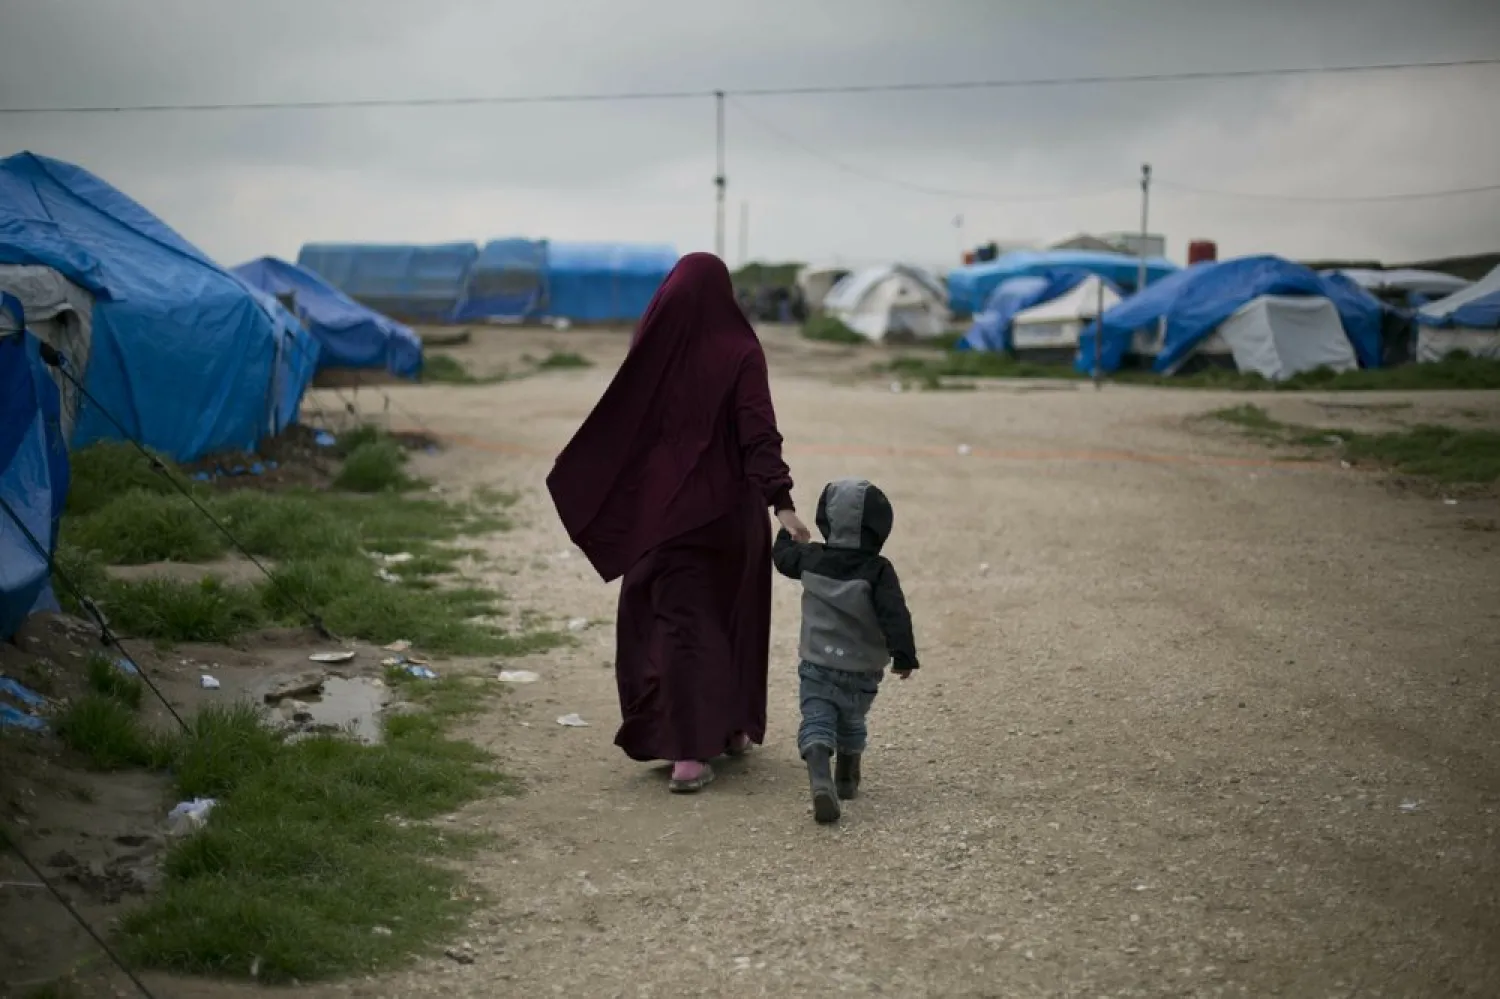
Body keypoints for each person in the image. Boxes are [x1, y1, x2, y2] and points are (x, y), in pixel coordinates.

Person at [546, 253, 811, 794]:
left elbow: (623, 427)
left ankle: (688, 752)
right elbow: (758, 429)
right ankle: (730, 728)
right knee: (730, 618)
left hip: (662, 515)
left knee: (676, 628)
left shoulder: (653, 349)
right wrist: (781, 502)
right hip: (730, 517)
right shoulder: (740, 349)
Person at [771, 477, 919, 824]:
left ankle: (819, 773)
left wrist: (787, 534)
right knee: (852, 719)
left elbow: (782, 559)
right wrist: (904, 655)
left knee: (817, 718)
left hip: (817, 662)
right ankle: (847, 777)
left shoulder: (811, 557)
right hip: (862, 668)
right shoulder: (878, 571)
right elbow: (894, 614)